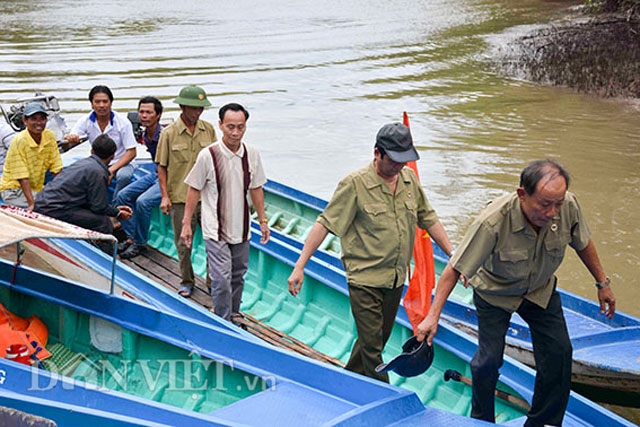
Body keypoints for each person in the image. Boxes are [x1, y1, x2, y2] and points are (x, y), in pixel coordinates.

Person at [416, 159, 616, 426]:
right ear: (522, 194)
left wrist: (602, 283)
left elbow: (582, 242)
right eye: (545, 204)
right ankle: (482, 420)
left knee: (559, 353)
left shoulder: (567, 206)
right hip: (495, 292)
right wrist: (433, 316)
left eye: (558, 203)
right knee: (488, 361)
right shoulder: (492, 222)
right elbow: (454, 268)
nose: (553, 212)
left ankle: (543, 422)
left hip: (539, 289)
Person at [287, 123, 455, 382]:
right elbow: (325, 223)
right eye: (394, 160)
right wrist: (300, 266)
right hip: (364, 280)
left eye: (404, 160)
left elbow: (428, 219)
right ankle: (385, 396)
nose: (399, 166)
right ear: (377, 153)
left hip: (396, 279)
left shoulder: (409, 181)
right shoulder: (355, 184)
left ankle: (348, 381)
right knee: (373, 349)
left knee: (374, 340)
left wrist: (453, 255)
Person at [181, 103, 270, 322]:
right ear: (220, 125)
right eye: (230, 126)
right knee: (221, 278)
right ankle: (223, 319)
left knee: (238, 275)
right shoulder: (208, 155)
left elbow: (256, 188)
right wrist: (186, 223)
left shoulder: (252, 154)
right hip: (215, 228)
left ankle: (234, 312)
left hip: (242, 226)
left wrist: (263, 220)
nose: (235, 132)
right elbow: (194, 188)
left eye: (240, 127)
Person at [156, 85, 217, 297]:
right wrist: (164, 196)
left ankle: (212, 281)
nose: (198, 112)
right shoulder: (169, 133)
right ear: (183, 107)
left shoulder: (208, 129)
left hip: (207, 197)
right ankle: (187, 280)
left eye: (201, 108)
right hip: (181, 197)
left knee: (213, 240)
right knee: (183, 243)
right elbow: (162, 166)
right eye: (194, 108)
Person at [34, 134, 132, 239]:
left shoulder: (82, 163)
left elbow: (94, 203)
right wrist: (117, 213)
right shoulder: (99, 173)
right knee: (103, 222)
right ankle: (104, 253)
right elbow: (98, 206)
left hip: (42, 202)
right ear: (113, 156)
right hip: (54, 209)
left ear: (91, 151)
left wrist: (114, 210)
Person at [65, 85, 137, 200]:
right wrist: (71, 139)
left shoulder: (123, 122)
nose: (101, 105)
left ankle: (116, 207)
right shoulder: (85, 120)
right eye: (97, 102)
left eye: (105, 101)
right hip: (99, 161)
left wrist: (111, 170)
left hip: (121, 162)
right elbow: (73, 138)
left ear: (111, 103)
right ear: (92, 104)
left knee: (123, 176)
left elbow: (131, 152)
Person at [116, 96, 164, 259]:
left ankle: (140, 243)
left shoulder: (165, 136)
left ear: (158, 115)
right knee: (122, 196)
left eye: (149, 112)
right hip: (155, 173)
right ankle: (131, 237)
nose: (144, 116)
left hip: (169, 178)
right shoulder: (144, 134)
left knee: (143, 202)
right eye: (141, 112)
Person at [0, 102, 63, 210]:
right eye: (33, 119)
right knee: (50, 202)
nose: (38, 123)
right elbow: (22, 177)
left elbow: (56, 168)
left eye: (42, 119)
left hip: (36, 186)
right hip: (13, 190)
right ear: (25, 121)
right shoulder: (19, 141)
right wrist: (31, 203)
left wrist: (63, 191)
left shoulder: (49, 136)